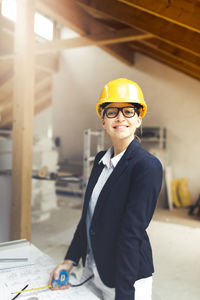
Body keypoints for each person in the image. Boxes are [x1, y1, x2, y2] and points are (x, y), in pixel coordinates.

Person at [49, 78, 163, 300]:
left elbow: (132, 233)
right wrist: (69, 260)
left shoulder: (147, 166)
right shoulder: (101, 159)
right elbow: (88, 218)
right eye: (112, 111)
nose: (120, 117)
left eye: (128, 111)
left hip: (126, 279)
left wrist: (125, 294)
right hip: (94, 271)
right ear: (103, 121)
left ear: (139, 119)